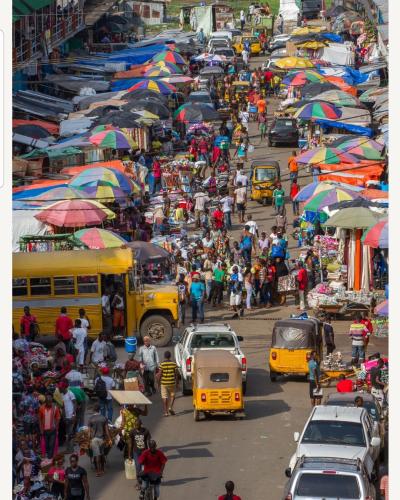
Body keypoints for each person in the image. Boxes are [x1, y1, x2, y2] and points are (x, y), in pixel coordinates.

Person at [88, 403, 111, 477]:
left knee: (96, 455)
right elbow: (107, 431)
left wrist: (89, 440)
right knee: (102, 454)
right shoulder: (103, 418)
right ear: (99, 409)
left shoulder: (91, 419)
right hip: (102, 439)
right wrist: (109, 439)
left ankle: (98, 471)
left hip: (94, 440)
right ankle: (103, 469)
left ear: (94, 410)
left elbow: (89, 432)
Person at [38, 393, 61, 460]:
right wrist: (41, 429)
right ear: (46, 402)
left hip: (52, 430)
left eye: (51, 401)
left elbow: (58, 418)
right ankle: (48, 458)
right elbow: (39, 419)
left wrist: (56, 427)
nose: (50, 403)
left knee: (51, 445)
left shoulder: (55, 408)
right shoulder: (41, 408)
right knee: (46, 445)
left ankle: (50, 459)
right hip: (44, 431)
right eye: (48, 402)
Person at [132, 419, 151, 488]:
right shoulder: (132, 431)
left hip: (144, 452)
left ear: (141, 425)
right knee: (138, 467)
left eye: (138, 425)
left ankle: (146, 481)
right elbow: (130, 442)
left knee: (145, 467)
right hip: (136, 452)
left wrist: (150, 451)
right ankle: (138, 482)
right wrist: (129, 454)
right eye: (135, 425)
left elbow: (149, 441)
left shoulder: (146, 431)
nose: (136, 427)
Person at [158, 351, 179, 417]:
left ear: (164, 356)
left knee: (164, 397)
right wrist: (177, 383)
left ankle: (166, 412)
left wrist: (158, 383)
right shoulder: (174, 364)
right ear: (170, 356)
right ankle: (170, 407)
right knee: (172, 395)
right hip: (171, 382)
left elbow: (160, 374)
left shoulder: (162, 364)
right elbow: (176, 374)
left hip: (164, 383)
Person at [59, 381, 77, 453]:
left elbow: (75, 403)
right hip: (66, 417)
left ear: (63, 387)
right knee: (68, 433)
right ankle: (69, 448)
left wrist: (73, 414)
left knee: (70, 433)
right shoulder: (62, 394)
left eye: (60, 388)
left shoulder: (70, 394)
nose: (59, 389)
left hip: (71, 416)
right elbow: (63, 406)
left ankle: (70, 449)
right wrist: (63, 416)